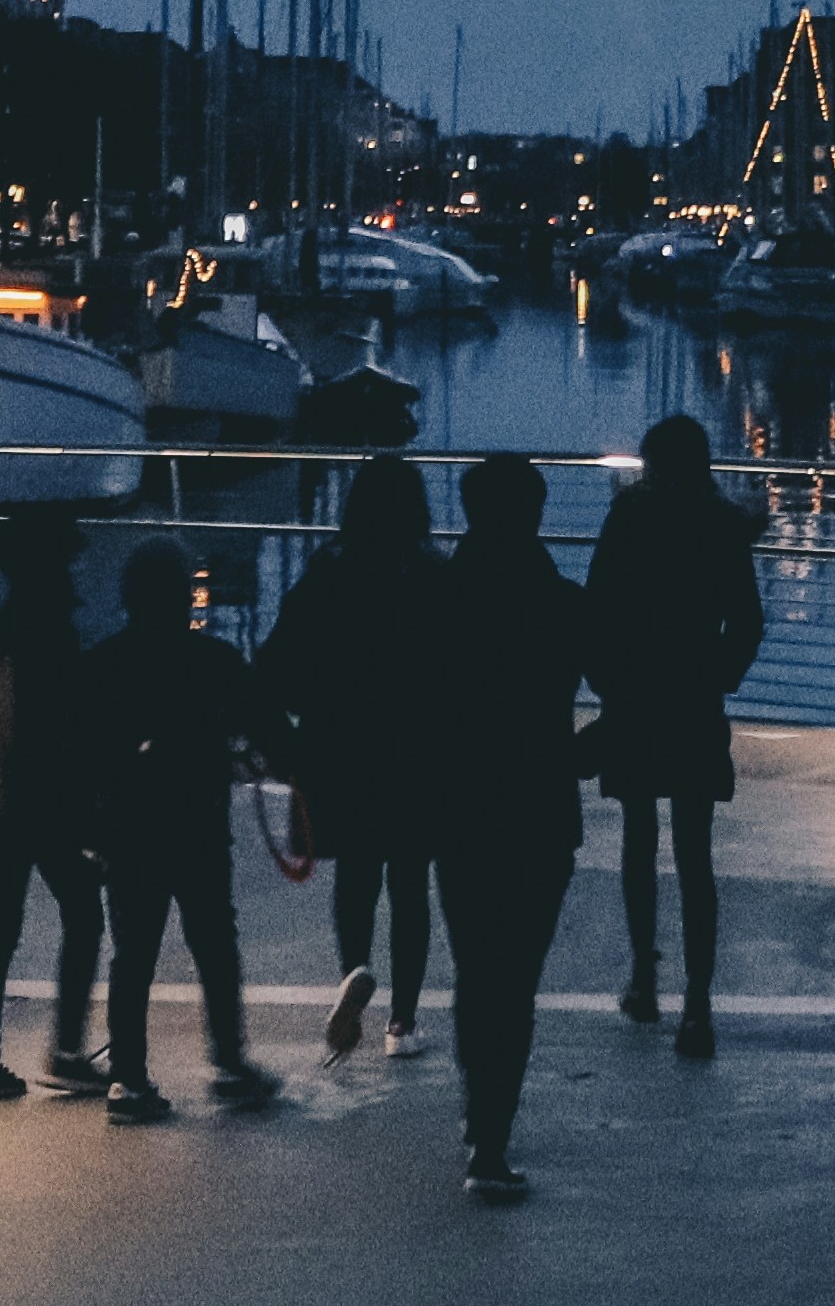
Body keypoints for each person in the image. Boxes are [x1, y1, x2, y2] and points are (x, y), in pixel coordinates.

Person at [415, 452, 596, 1200]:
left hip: (461, 802)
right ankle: (493, 1135)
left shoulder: (440, 598)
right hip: (540, 803)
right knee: (514, 978)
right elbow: (624, 687)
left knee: (474, 965)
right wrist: (577, 755)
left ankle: (475, 1109)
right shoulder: (564, 604)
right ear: (536, 515)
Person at [80, 536, 286, 1121]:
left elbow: (82, 754)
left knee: (133, 952)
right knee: (216, 943)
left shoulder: (102, 663)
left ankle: (129, 1079)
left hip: (129, 828)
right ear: (183, 597)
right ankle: (228, 1062)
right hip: (197, 823)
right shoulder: (215, 662)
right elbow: (264, 729)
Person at [583, 414, 768, 1055]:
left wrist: (609, 684)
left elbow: (597, 608)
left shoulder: (629, 518)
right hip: (694, 701)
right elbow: (747, 620)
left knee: (639, 841)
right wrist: (716, 676)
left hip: (636, 699)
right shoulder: (721, 523)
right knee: (696, 857)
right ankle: (699, 1005)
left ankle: (643, 977)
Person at [256, 454, 445, 1059]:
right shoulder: (432, 575)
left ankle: (353, 972)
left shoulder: (326, 574)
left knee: (358, 875)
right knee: (411, 882)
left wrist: (291, 737)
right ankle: (403, 1025)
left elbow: (276, 667)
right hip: (415, 749)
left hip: (339, 748)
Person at [0, 506, 113, 1100]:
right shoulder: (52, 635)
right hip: (42, 810)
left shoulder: (4, 629)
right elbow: (61, 737)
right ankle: (66, 1051)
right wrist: (88, 819)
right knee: (85, 917)